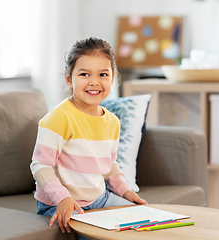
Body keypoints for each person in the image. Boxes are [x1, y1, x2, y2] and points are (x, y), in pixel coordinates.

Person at [30, 36, 147, 237]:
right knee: (98, 235)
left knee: (143, 223)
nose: (94, 82)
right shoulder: (59, 117)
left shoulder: (112, 121)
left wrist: (125, 192)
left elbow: (110, 166)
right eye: (84, 74)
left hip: (100, 199)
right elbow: (40, 166)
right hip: (60, 203)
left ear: (113, 78)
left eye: (103, 74)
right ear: (69, 78)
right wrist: (63, 199)